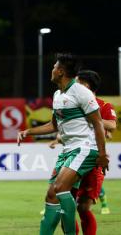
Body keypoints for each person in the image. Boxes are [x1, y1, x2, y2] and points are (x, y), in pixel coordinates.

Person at [17, 54, 109, 235]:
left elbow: (98, 123)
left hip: (84, 148)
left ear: (60, 72)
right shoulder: (58, 95)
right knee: (51, 195)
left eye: (54, 67)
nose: (51, 70)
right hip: (68, 150)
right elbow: (54, 125)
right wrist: (29, 131)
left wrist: (103, 154)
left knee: (59, 188)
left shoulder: (82, 92)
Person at [47, 70, 116, 234]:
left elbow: (112, 125)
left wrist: (89, 116)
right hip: (73, 157)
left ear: (87, 85)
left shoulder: (103, 105)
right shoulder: (69, 103)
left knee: (83, 207)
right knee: (64, 204)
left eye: (77, 82)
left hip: (93, 160)